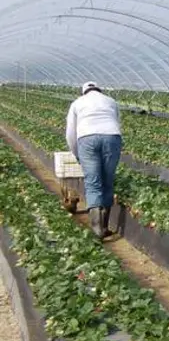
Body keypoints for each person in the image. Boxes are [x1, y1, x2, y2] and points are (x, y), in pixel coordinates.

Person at [66, 82, 123, 240]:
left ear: (84, 92)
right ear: (99, 90)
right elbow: (117, 123)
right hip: (112, 136)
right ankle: (104, 226)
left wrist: (77, 153)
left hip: (87, 139)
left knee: (93, 183)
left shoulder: (77, 103)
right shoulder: (110, 101)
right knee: (108, 180)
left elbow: (70, 133)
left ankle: (97, 229)